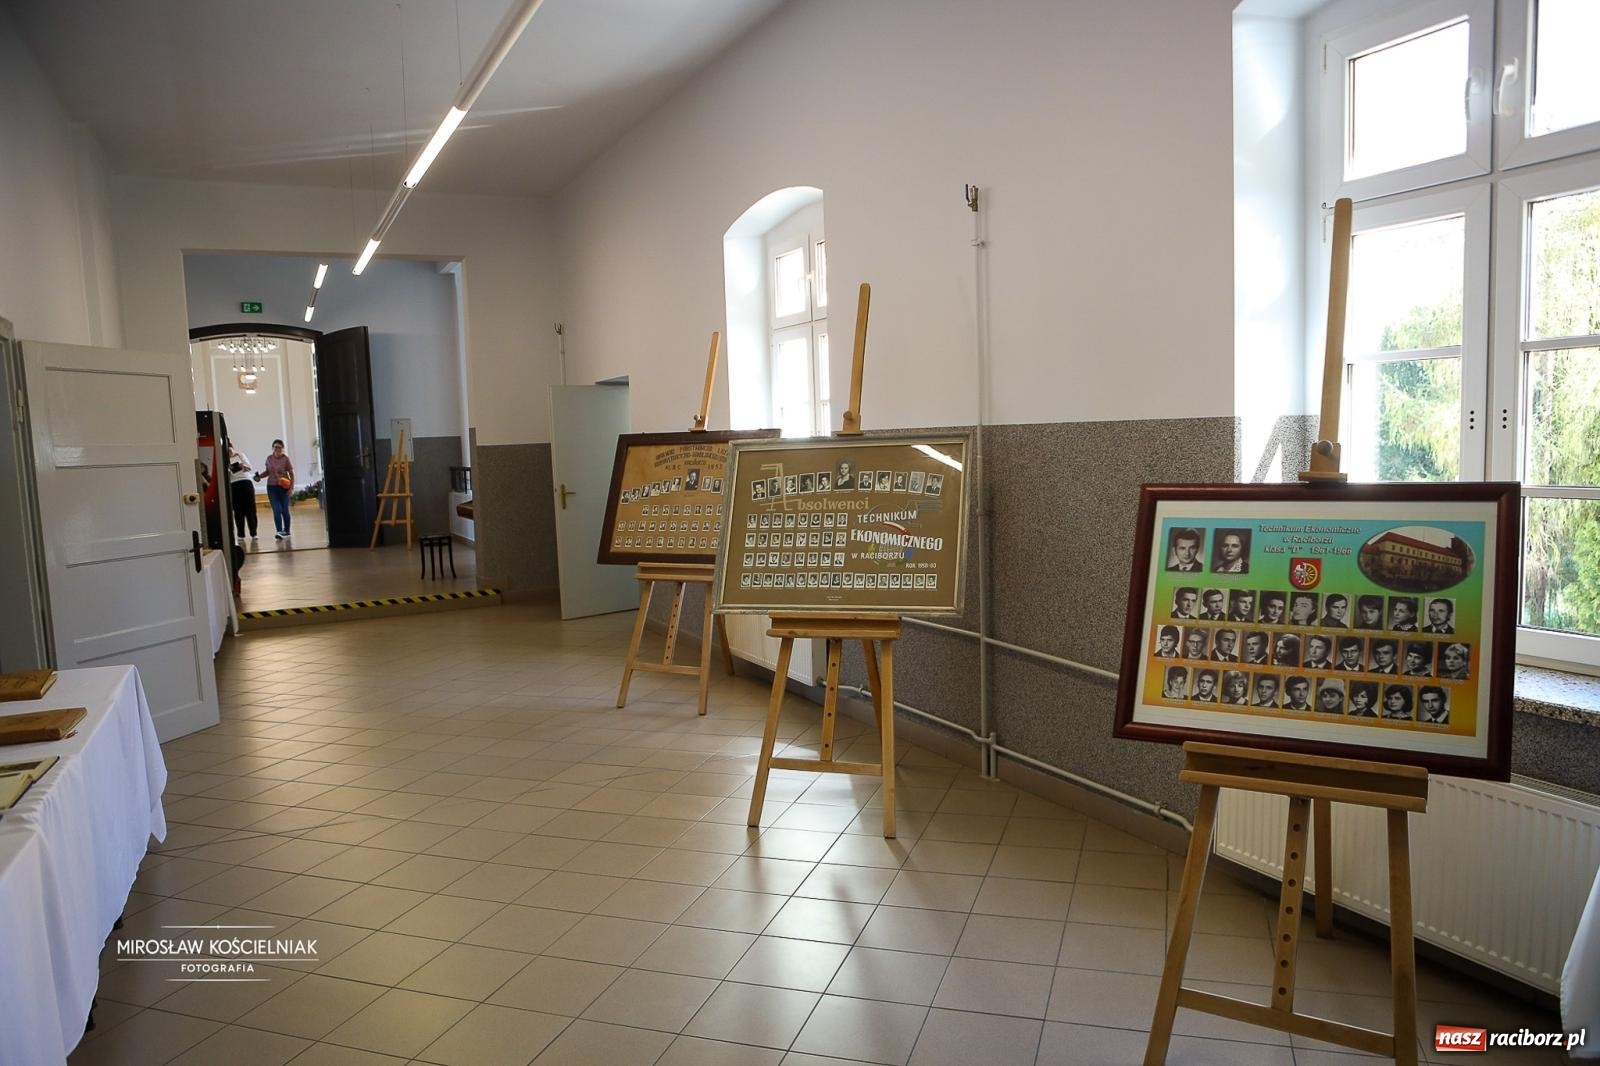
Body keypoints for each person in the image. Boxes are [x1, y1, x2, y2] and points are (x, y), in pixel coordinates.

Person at [255, 438, 295, 539]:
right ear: (272, 448)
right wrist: (259, 476)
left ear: (282, 449)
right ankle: (279, 531)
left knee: (284, 510)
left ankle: (287, 531)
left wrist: (291, 488)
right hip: (272, 487)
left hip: (284, 487)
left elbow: (292, 474)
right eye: (276, 447)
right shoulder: (269, 458)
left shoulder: (286, 459)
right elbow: (267, 472)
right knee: (277, 509)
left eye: (280, 447)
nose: (277, 449)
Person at [226, 443, 258, 540]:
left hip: (246, 482)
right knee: (238, 510)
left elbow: (248, 467)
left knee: (250, 508)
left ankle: (253, 532)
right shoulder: (224, 459)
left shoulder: (240, 455)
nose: (229, 450)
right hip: (234, 484)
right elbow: (227, 472)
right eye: (227, 449)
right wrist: (239, 467)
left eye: (230, 447)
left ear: (232, 447)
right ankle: (240, 534)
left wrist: (236, 467)